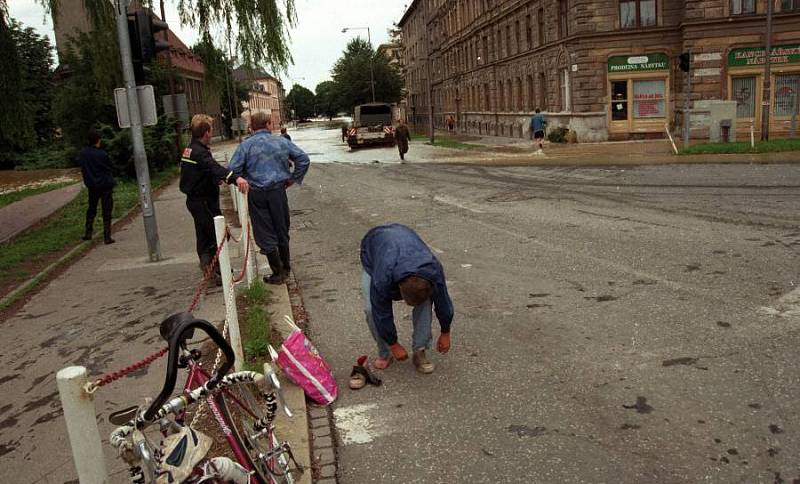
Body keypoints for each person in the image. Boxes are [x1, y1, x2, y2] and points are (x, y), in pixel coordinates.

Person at [229, 112, 310, 285]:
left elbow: (232, 169)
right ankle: (286, 267)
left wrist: (243, 179)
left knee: (264, 232)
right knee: (281, 228)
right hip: (277, 192)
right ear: (267, 124)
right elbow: (303, 159)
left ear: (253, 126)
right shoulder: (281, 141)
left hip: (256, 193)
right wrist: (292, 178)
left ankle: (277, 271)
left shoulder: (246, 146)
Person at [360, 223, 454, 374]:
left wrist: (445, 332)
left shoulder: (433, 270)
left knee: (426, 301)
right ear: (398, 290)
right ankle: (385, 353)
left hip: (405, 241)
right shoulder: (383, 276)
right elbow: (381, 311)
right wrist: (393, 344)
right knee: (371, 309)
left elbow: (443, 301)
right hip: (375, 249)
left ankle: (420, 350)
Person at [180, 114, 250, 283]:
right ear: (205, 132)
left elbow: (200, 172)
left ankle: (211, 269)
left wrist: (212, 180)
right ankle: (217, 271)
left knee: (204, 237)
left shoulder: (191, 148)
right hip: (203, 201)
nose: (212, 134)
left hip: (197, 200)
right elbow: (214, 167)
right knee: (218, 235)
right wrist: (236, 178)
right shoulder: (199, 152)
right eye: (211, 130)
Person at [79, 128, 116, 244]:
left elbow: (82, 167)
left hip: (92, 185)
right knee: (107, 210)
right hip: (105, 185)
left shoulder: (83, 153)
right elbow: (110, 167)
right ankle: (107, 236)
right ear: (99, 140)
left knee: (91, 209)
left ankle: (88, 233)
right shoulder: (102, 154)